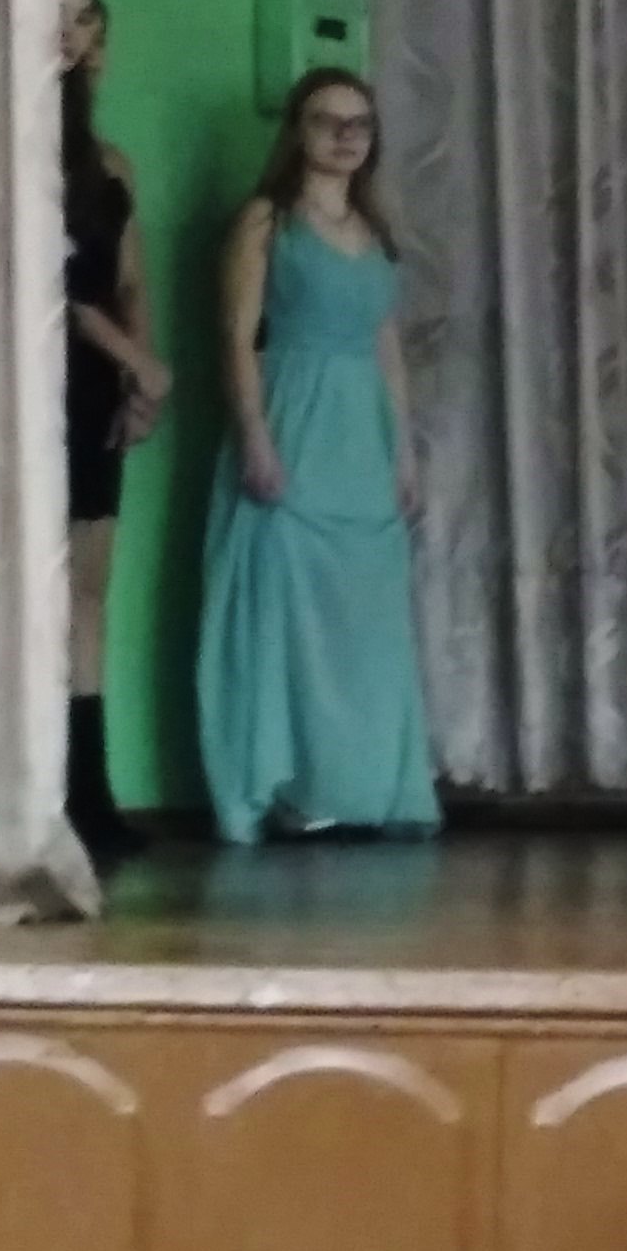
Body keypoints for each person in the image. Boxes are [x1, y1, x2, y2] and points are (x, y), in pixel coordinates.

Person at [195, 71, 442, 844]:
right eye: (327, 120)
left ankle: (357, 785)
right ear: (297, 130)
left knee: (362, 622)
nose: (345, 135)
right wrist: (255, 435)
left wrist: (404, 452)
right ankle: (287, 786)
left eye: (359, 123)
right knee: (285, 606)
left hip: (360, 439)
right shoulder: (266, 221)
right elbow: (237, 336)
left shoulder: (375, 229)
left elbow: (386, 347)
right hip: (294, 416)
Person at [60, 0, 173, 864]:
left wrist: (142, 378)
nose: (65, 31)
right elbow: (54, 289)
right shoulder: (7, 148)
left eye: (81, 17)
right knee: (37, 587)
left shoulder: (110, 163)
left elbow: (128, 281)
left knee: (88, 592)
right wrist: (136, 361)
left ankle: (90, 796)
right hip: (39, 377)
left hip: (97, 386)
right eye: (50, 14)